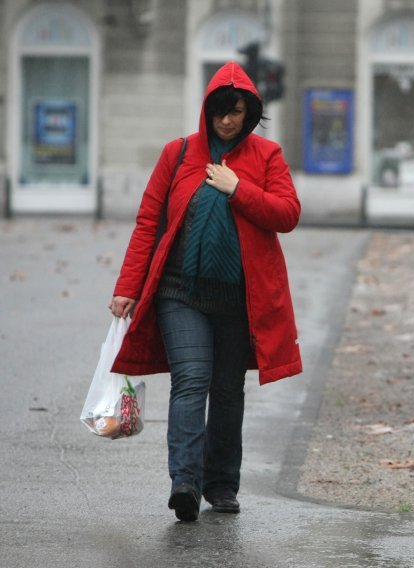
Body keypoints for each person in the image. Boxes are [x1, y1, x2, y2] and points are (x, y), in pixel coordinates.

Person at [108, 61, 302, 522]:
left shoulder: (267, 157)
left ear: (251, 113)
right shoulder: (178, 154)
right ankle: (186, 483)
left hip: (238, 300)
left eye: (236, 112)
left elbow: (288, 213)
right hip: (181, 293)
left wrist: (239, 189)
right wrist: (127, 287)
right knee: (192, 380)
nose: (227, 121)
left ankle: (221, 484)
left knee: (227, 390)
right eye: (219, 112)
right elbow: (148, 224)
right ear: (206, 110)